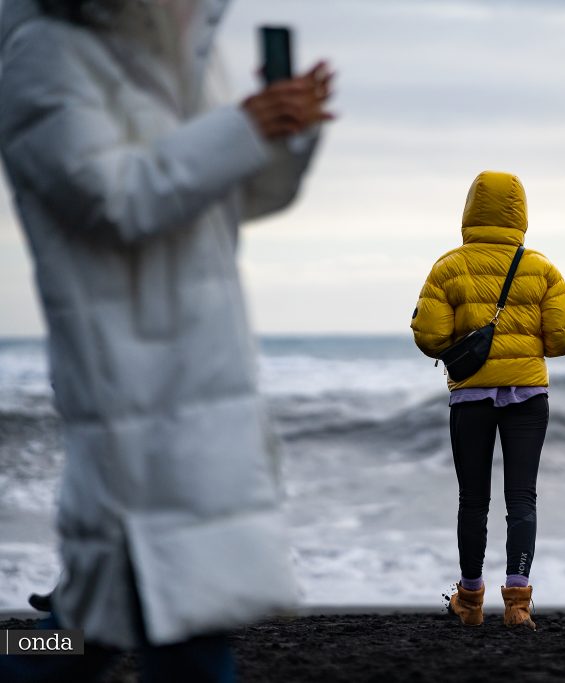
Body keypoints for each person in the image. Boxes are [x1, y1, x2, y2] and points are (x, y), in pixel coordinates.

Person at [0, 0, 332, 680]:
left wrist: (284, 134)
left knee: (91, 630)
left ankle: (13, 655)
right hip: (133, 387)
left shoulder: (174, 63)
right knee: (182, 626)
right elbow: (113, 198)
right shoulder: (42, 53)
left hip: (204, 383)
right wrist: (241, 128)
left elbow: (237, 195)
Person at [411, 170, 565, 630]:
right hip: (528, 396)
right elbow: (564, 337)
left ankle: (469, 600)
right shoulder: (541, 268)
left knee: (473, 499)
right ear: (520, 213)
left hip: (471, 396)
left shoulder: (448, 267)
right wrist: (525, 344)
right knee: (522, 497)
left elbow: (429, 337)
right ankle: (518, 603)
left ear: (469, 211)